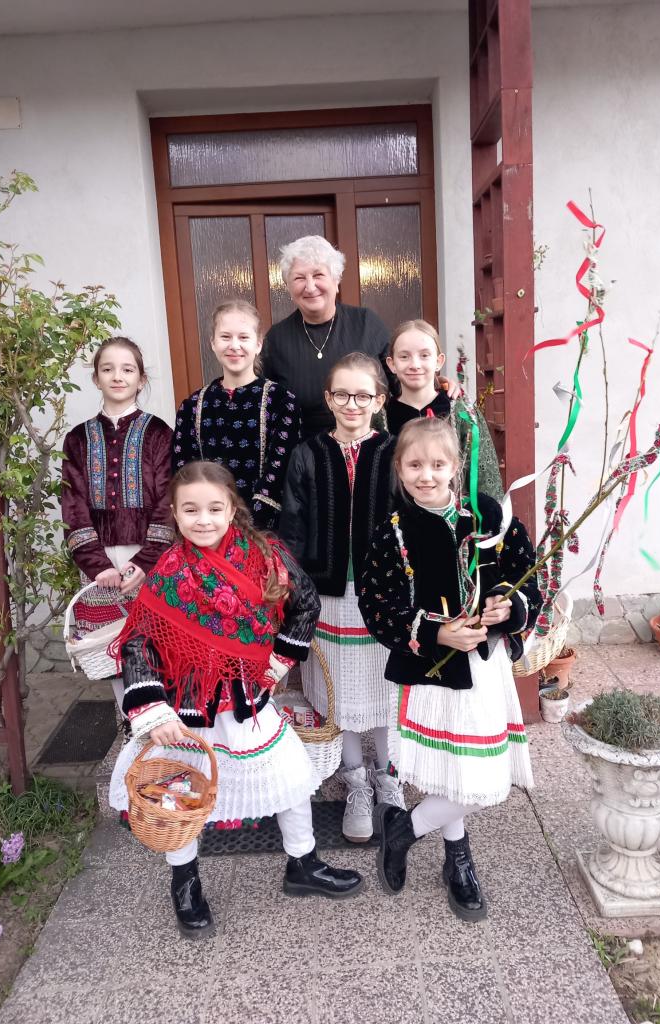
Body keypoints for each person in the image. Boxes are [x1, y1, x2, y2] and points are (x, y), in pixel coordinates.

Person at [109, 461, 363, 938]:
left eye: (213, 508)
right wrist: (152, 710)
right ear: (175, 515)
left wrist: (280, 661)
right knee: (179, 796)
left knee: (291, 779)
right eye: (190, 510)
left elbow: (305, 603)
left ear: (232, 510)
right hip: (186, 710)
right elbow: (139, 641)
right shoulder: (168, 571)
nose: (203, 519)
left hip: (248, 699)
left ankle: (303, 862)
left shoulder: (265, 555)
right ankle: (185, 882)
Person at [358, 417, 541, 921]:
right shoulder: (392, 535)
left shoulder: (489, 520)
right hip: (430, 673)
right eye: (415, 465)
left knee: (482, 781)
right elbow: (377, 606)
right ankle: (457, 856)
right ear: (399, 469)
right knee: (450, 772)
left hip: (483, 671)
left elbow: (527, 575)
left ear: (457, 467)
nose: (427, 475)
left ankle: (406, 828)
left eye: (438, 464)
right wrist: (438, 634)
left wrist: (508, 604)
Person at [279, 351, 404, 843]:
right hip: (326, 593)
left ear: (380, 400)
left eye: (364, 395)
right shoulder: (307, 453)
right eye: (343, 395)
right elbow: (291, 526)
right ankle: (355, 780)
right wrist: (296, 587)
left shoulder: (394, 451)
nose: (353, 404)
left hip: (384, 594)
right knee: (342, 691)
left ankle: (388, 778)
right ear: (328, 398)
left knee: (383, 687)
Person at [61, 337, 175, 707]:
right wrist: (97, 566)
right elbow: (73, 505)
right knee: (109, 649)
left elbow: (168, 501)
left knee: (156, 645)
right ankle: (128, 725)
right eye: (107, 369)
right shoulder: (77, 438)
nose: (117, 376)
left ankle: (164, 725)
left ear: (141, 379)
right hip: (100, 563)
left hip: (149, 559)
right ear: (96, 378)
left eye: (127, 369)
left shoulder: (159, 433)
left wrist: (146, 561)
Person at [262, 235, 460, 438]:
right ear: (288, 286)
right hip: (304, 452)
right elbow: (263, 402)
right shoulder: (276, 340)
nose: (310, 286)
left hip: (369, 449)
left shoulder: (367, 324)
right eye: (299, 278)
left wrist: (434, 384)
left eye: (318, 275)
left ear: (336, 280)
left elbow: (399, 380)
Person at [171, 299, 300, 530]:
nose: (234, 345)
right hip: (207, 528)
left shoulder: (282, 402)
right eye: (225, 337)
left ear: (258, 344)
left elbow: (279, 471)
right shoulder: (192, 406)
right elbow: (184, 470)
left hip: (263, 529)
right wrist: (210, 519)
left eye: (243, 337)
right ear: (212, 343)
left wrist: (248, 525)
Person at [384, 319, 503, 501]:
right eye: (404, 356)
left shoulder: (463, 414)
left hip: (453, 514)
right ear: (392, 364)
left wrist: (487, 514)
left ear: (439, 361)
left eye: (424, 355)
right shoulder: (381, 417)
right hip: (395, 515)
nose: (415, 364)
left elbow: (485, 478)